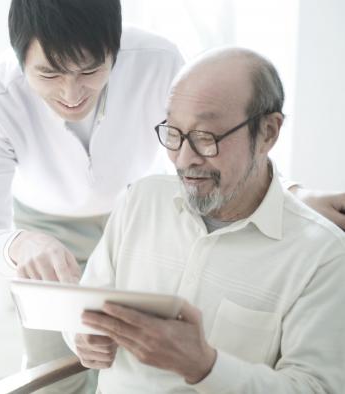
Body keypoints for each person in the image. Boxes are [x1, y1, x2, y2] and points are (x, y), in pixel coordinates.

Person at [0, 0, 345, 392]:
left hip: (145, 212)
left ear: (116, 48)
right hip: (49, 226)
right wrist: (20, 246)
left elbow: (219, 123)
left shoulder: (157, 63)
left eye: (91, 70)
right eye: (49, 74)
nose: (71, 93)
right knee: (62, 371)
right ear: (20, 59)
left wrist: (290, 196)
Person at [65, 47, 345, 393]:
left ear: (269, 132)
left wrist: (205, 366)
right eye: (174, 133)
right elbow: (84, 307)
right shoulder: (141, 200)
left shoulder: (322, 255)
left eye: (205, 137)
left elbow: (316, 388)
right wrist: (82, 336)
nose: (184, 159)